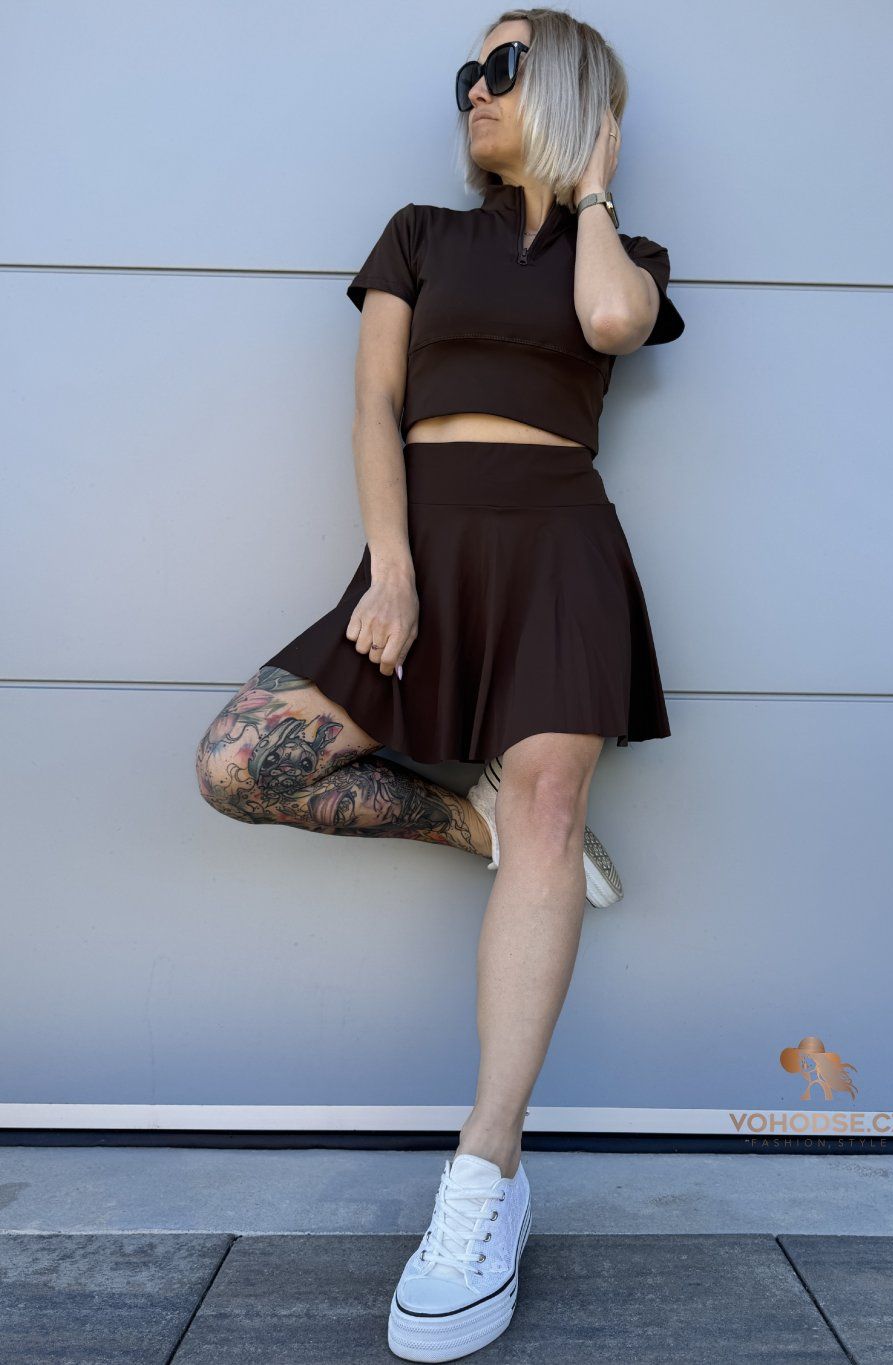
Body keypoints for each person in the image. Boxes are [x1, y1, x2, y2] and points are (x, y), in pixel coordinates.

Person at [194, 8, 684, 1359]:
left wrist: (594, 186)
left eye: (505, 68)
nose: (474, 86)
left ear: (571, 94)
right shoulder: (418, 234)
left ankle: (485, 1175)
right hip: (428, 544)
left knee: (551, 811)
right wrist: (392, 572)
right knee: (239, 763)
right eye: (469, 69)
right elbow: (372, 407)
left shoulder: (622, 256)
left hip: (558, 545)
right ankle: (466, 823)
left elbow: (611, 322)